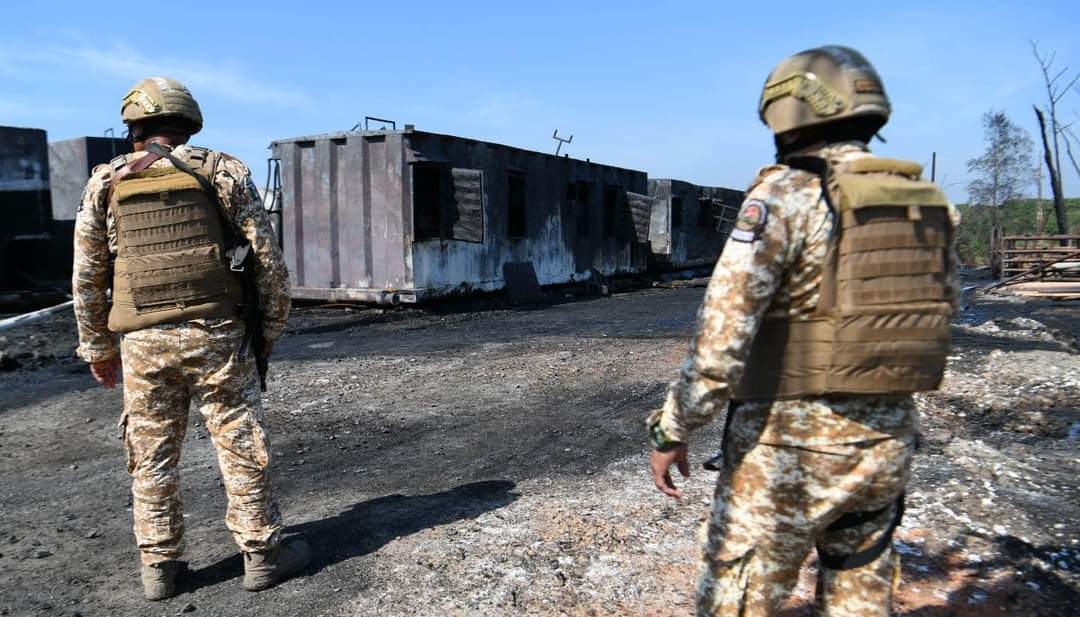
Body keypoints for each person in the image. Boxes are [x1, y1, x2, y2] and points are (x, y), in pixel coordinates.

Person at [647, 46, 960, 616]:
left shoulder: (785, 197)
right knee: (859, 597)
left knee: (737, 602)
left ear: (786, 114)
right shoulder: (926, 205)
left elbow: (721, 344)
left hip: (788, 451)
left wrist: (672, 430)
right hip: (884, 446)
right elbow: (938, 316)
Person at [72, 76, 309, 600]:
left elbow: (88, 275)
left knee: (151, 453)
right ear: (189, 123)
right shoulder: (221, 170)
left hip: (141, 343)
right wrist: (269, 329)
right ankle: (263, 556)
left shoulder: (104, 182)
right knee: (240, 443)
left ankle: (159, 569)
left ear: (133, 128)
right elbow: (267, 258)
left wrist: (98, 348)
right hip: (217, 335)